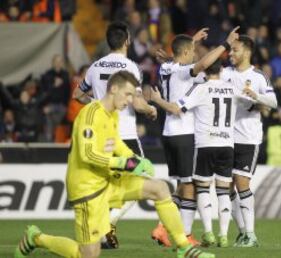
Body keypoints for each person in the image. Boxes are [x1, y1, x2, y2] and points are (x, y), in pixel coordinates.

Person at [14, 71, 215, 258]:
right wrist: (124, 162)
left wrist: (135, 159)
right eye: (128, 94)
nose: (130, 100)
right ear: (113, 89)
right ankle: (36, 238)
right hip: (87, 189)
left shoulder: (113, 114)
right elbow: (87, 154)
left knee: (159, 188)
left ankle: (183, 247)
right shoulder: (91, 114)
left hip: (108, 181)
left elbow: (116, 143)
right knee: (88, 254)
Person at [151, 27, 239, 247]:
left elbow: (180, 54)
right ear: (187, 53)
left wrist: (191, 41)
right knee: (190, 186)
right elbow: (201, 65)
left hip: (169, 133)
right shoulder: (186, 70)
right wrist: (226, 44)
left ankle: (163, 227)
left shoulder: (166, 66)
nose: (195, 55)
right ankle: (185, 234)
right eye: (192, 51)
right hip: (184, 132)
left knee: (183, 186)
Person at [73, 21, 157, 248]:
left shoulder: (94, 67)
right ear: (127, 40)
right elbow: (138, 104)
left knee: (107, 185)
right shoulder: (131, 67)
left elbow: (77, 95)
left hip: (102, 135)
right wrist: (151, 109)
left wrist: (98, 104)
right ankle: (108, 225)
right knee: (143, 180)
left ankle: (101, 230)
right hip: (125, 134)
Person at [221, 35, 277, 247]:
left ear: (246, 51)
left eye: (235, 50)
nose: (231, 53)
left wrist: (256, 96)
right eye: (230, 50)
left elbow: (273, 102)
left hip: (248, 137)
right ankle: (243, 232)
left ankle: (251, 233)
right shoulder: (224, 73)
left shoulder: (258, 76)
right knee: (225, 187)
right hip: (225, 137)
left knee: (242, 182)